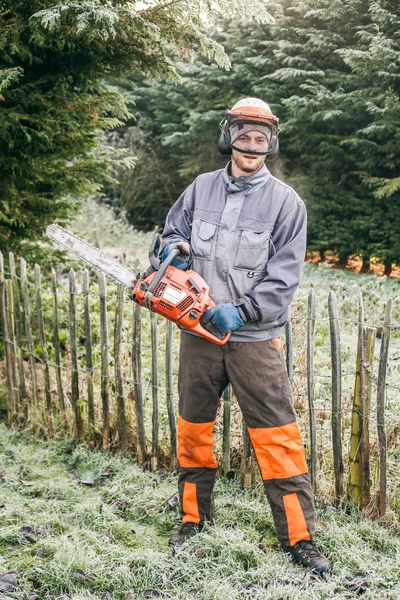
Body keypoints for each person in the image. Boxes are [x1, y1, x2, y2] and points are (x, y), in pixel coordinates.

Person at [160, 98, 331, 574]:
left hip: (254, 340)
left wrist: (244, 311)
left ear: (270, 142)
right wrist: (172, 248)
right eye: (243, 134)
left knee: (278, 437)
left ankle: (299, 538)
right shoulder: (200, 189)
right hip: (198, 333)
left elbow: (284, 277)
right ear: (228, 136)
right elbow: (171, 232)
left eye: (260, 137)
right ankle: (193, 519)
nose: (251, 144)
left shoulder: (285, 203)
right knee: (193, 429)